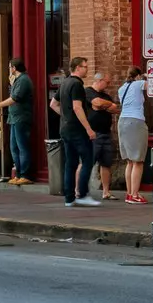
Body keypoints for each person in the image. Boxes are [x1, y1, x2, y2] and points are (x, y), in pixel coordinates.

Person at [0, 57, 37, 185]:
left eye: (9, 67)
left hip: (21, 118)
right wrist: (11, 83)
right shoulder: (17, 80)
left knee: (22, 146)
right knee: (14, 147)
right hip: (14, 118)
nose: (9, 70)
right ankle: (18, 174)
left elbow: (14, 98)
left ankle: (25, 174)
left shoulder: (24, 80)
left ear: (14, 68)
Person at [52, 56, 96, 206]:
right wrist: (88, 128)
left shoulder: (65, 83)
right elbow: (77, 107)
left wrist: (66, 116)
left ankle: (69, 198)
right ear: (78, 68)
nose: (87, 69)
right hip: (77, 130)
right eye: (85, 66)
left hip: (65, 129)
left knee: (70, 163)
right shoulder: (77, 84)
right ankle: (82, 194)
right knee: (88, 160)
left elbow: (53, 104)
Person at [115, 66, 150, 205]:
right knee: (138, 161)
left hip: (122, 121)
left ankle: (130, 193)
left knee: (129, 161)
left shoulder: (121, 88)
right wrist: (147, 76)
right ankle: (135, 195)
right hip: (135, 121)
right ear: (138, 76)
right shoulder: (139, 83)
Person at [87, 72, 119, 202]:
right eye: (107, 82)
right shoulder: (88, 91)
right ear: (99, 80)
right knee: (87, 162)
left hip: (106, 133)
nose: (108, 84)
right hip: (93, 134)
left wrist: (102, 106)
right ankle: (78, 190)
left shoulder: (106, 95)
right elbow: (96, 102)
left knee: (106, 163)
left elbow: (114, 108)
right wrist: (104, 105)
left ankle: (106, 192)